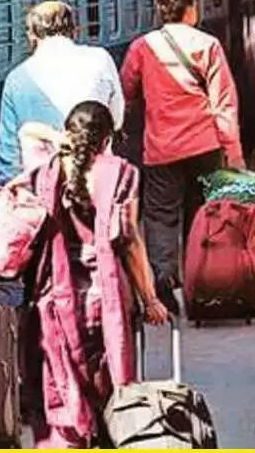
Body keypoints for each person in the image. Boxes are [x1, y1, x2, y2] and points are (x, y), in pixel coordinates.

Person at [24, 101, 169, 449]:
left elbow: (27, 129)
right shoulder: (121, 173)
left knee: (66, 382)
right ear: (107, 140)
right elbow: (131, 241)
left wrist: (62, 140)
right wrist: (150, 299)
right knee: (109, 386)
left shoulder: (47, 172)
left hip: (58, 300)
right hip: (107, 299)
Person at [121, 0, 243, 312]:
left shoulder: (142, 47)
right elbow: (224, 103)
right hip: (204, 146)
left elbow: (127, 90)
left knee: (160, 215)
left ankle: (163, 275)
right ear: (191, 9)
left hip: (161, 148)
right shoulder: (208, 45)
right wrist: (233, 154)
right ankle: (199, 284)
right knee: (202, 214)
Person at [0, 1, 124, 183]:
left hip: (41, 186)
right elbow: (116, 120)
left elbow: (9, 153)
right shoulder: (101, 59)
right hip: (98, 179)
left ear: (32, 35)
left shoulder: (16, 79)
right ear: (74, 29)